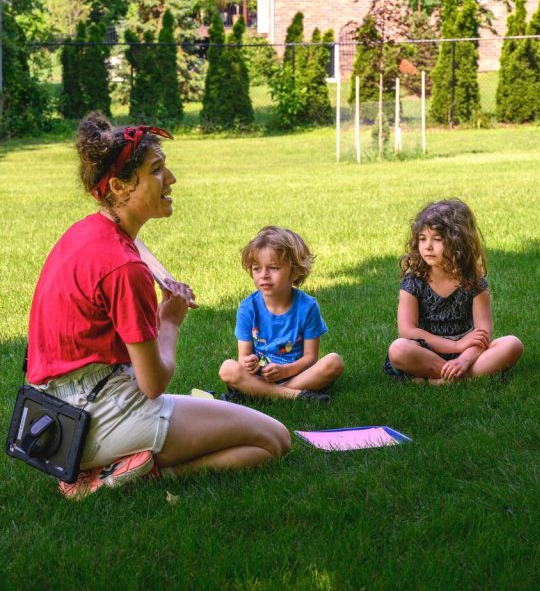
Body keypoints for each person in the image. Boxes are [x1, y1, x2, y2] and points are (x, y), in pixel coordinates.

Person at [26, 113, 290, 500]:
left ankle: (109, 464)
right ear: (119, 186)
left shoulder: (86, 232)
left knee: (251, 431)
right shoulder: (124, 266)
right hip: (100, 417)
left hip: (54, 418)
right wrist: (170, 321)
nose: (171, 180)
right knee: (275, 441)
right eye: (156, 170)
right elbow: (153, 384)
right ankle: (125, 475)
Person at [384, 199, 523, 383]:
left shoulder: (474, 283)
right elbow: (407, 330)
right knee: (398, 349)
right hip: (426, 352)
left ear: (458, 242)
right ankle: (462, 377)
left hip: (467, 352)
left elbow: (483, 334)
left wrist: (464, 359)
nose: (428, 246)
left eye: (437, 239)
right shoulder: (413, 282)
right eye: (423, 238)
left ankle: (440, 379)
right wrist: (454, 345)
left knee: (512, 344)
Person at [218, 226, 343, 402]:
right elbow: (243, 358)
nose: (264, 275)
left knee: (334, 362)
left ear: (295, 271)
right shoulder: (247, 308)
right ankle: (296, 396)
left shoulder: (307, 307)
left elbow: (310, 358)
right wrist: (249, 363)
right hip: (260, 377)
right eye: (256, 268)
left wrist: (285, 371)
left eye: (273, 268)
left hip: (297, 375)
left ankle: (261, 394)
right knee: (227, 369)